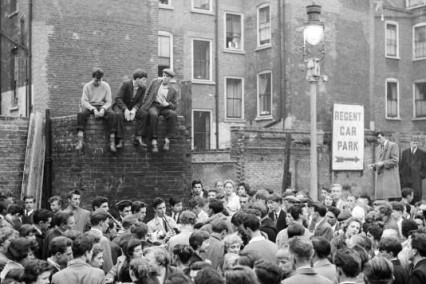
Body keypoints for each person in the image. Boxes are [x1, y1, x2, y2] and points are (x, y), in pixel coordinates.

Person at [75, 67, 118, 152]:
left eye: (99, 80)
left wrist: (103, 109)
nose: (97, 82)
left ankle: (112, 142)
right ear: (92, 78)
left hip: (102, 106)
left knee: (113, 115)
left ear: (102, 78)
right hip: (91, 106)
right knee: (81, 115)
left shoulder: (106, 86)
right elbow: (84, 101)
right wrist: (93, 109)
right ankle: (80, 141)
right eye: (96, 80)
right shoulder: (87, 86)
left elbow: (109, 101)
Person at [141, 68, 178, 153]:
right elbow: (147, 93)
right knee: (153, 115)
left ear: (171, 79)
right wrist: (144, 104)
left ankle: (167, 140)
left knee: (173, 114)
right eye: (164, 76)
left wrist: (168, 104)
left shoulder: (173, 91)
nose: (164, 78)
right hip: (154, 105)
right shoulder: (155, 82)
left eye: (167, 77)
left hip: (165, 108)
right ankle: (154, 141)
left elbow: (175, 105)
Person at [112, 69, 148, 148]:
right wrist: (125, 109)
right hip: (120, 106)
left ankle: (139, 137)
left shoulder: (143, 88)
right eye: (144, 80)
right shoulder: (126, 84)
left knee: (144, 114)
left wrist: (134, 110)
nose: (145, 82)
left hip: (132, 107)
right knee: (118, 115)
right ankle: (120, 140)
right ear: (137, 79)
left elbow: (140, 102)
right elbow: (118, 98)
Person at [368, 131, 401, 200]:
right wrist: (373, 166)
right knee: (381, 200)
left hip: (390, 177)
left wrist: (383, 163)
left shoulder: (393, 145)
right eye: (376, 139)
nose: (378, 140)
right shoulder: (378, 148)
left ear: (384, 136)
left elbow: (395, 160)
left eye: (379, 138)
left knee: (390, 199)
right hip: (381, 177)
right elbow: (379, 161)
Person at [399, 136, 426, 204]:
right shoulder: (405, 152)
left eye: (416, 142)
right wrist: (401, 175)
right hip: (405, 180)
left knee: (416, 197)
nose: (414, 143)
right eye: (413, 141)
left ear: (418, 143)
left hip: (416, 180)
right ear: (410, 142)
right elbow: (402, 166)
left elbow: (425, 167)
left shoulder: (422, 153)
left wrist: (420, 176)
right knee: (405, 196)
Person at [86, 209, 113, 273]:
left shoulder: (85, 235)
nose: (108, 225)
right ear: (101, 223)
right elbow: (107, 265)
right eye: (107, 223)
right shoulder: (103, 240)